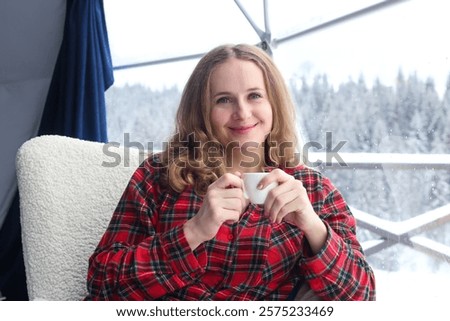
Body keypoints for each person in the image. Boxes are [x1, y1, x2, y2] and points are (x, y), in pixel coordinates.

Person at [85, 43, 376, 300]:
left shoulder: (312, 189)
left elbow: (362, 298)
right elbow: (101, 284)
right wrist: (193, 232)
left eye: (254, 96)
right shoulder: (159, 177)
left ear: (273, 104)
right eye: (223, 100)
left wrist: (313, 227)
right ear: (201, 112)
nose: (243, 112)